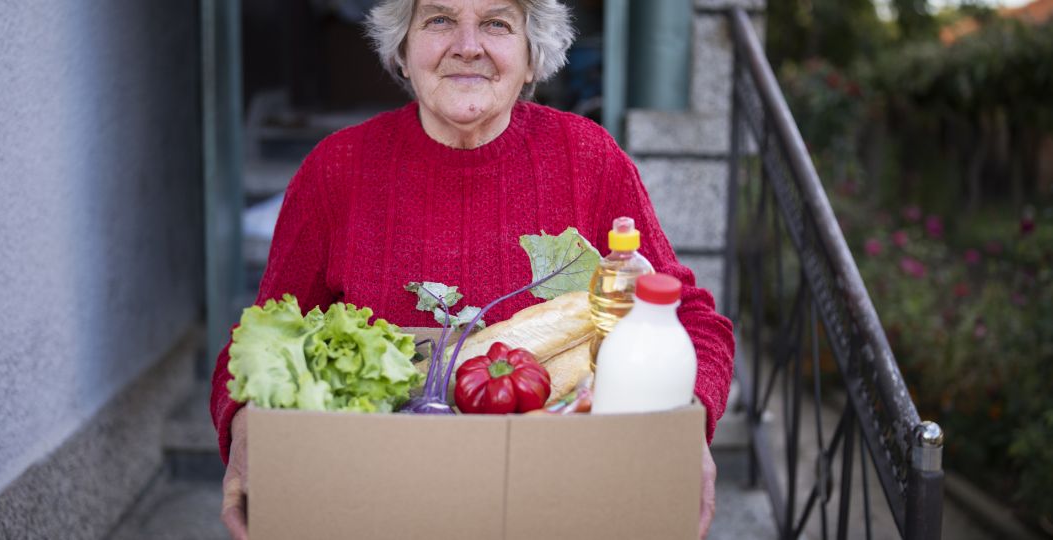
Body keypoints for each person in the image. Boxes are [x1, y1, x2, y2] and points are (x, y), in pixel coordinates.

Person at [210, 1, 735, 538]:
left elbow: (692, 319)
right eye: (439, 19)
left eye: (496, 23)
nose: (467, 45)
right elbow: (260, 341)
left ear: (531, 57)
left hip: (556, 502)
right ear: (403, 50)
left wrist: (688, 425)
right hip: (378, 504)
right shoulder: (336, 168)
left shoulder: (587, 158)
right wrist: (248, 426)